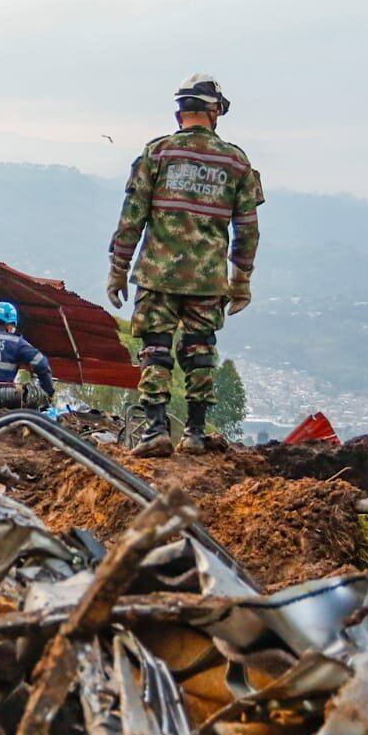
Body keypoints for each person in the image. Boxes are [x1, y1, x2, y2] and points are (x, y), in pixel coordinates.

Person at [106, 73, 263, 456]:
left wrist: (118, 269)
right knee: (200, 351)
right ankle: (194, 434)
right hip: (208, 282)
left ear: (180, 114)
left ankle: (156, 430)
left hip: (157, 276)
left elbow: (132, 218)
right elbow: (247, 230)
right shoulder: (236, 162)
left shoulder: (156, 154)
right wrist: (240, 280)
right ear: (214, 113)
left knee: (155, 351)